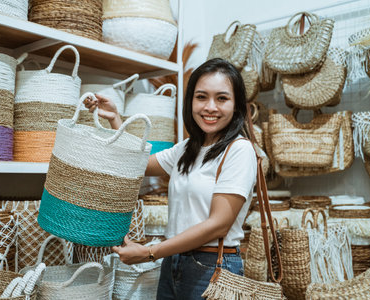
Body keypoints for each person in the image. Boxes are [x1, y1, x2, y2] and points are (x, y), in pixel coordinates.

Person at [84, 58, 257, 299]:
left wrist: (150, 252)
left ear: (237, 105)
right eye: (201, 97)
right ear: (190, 102)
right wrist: (114, 118)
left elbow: (219, 223)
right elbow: (138, 163)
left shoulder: (239, 150)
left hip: (213, 266)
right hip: (173, 261)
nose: (210, 107)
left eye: (222, 98)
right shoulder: (188, 148)